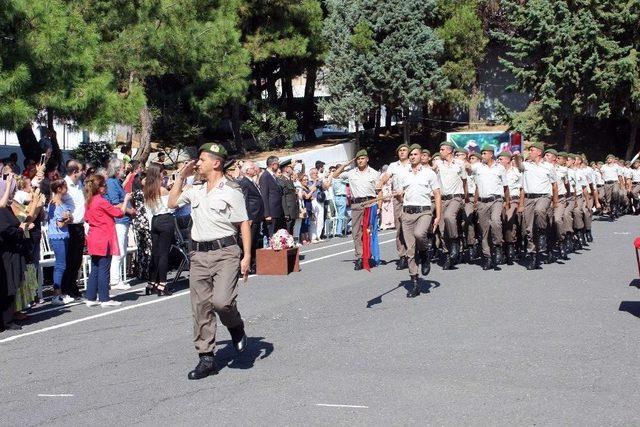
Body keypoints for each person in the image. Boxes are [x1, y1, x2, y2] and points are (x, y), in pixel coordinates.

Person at [168, 143, 251, 380]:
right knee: (200, 306)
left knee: (222, 302)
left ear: (216, 163)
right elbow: (172, 203)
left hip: (225, 251)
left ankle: (235, 327)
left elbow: (243, 223)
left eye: (201, 159)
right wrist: (180, 178)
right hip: (199, 254)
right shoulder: (195, 189)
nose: (197, 163)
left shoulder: (231, 190)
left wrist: (246, 256)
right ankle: (206, 358)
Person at [397, 144, 441, 297]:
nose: (412, 157)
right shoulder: (404, 174)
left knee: (419, 234)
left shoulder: (429, 173)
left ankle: (424, 253)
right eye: (411, 155)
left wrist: (438, 215)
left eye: (415, 154)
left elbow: (436, 194)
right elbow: (400, 195)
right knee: (409, 250)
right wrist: (398, 194)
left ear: (421, 155)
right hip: (407, 213)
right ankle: (415, 283)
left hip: (424, 212)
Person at [84, 174, 130, 308]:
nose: (106, 187)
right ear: (99, 188)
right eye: (104, 185)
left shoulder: (89, 201)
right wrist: (126, 200)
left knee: (95, 267)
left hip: (94, 237)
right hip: (104, 237)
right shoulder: (101, 201)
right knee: (104, 268)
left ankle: (91, 297)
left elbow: (86, 218)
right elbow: (119, 213)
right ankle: (104, 298)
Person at [332, 150, 381, 271]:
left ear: (367, 159)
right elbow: (335, 175)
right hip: (357, 204)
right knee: (356, 232)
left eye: (362, 158)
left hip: (370, 203)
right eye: (358, 159)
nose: (360, 161)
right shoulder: (351, 173)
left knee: (369, 231)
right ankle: (360, 257)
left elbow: (379, 191)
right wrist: (346, 164)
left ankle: (368, 256)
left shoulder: (374, 173)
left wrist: (379, 206)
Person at [514, 141, 558, 269]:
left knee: (539, 211)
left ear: (539, 152)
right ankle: (533, 256)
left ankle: (543, 233)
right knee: (529, 230)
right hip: (529, 198)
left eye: (532, 150)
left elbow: (554, 185)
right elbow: (518, 166)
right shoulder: (526, 165)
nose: (530, 152)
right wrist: (517, 156)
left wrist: (555, 202)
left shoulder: (548, 167)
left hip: (543, 197)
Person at [467, 145, 509, 270]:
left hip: (496, 200)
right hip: (481, 202)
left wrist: (507, 201)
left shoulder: (500, 168)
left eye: (485, 153)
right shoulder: (478, 167)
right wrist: (464, 163)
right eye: (482, 153)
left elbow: (505, 186)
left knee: (496, 221)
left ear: (491, 154)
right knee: (484, 230)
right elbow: (468, 168)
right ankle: (488, 257)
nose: (483, 156)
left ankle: (497, 246)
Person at [432, 141, 468, 269]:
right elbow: (431, 172)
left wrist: (465, 196)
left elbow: (464, 181)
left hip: (456, 197)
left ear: (449, 151)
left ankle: (455, 242)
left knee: (448, 217)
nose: (440, 151)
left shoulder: (459, 164)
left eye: (442, 149)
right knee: (442, 229)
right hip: (442, 199)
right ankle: (448, 255)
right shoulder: (438, 164)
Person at [143, 163, 176, 296]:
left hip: (155, 220)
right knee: (163, 254)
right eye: (162, 172)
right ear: (159, 173)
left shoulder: (148, 188)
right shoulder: (162, 190)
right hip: (165, 219)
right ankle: (163, 283)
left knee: (155, 252)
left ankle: (152, 282)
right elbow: (172, 206)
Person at [104, 158, 137, 290]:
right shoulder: (111, 183)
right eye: (123, 168)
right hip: (118, 221)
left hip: (124, 220)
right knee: (118, 251)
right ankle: (114, 280)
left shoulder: (117, 182)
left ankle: (117, 279)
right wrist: (129, 209)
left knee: (122, 251)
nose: (124, 170)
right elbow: (115, 203)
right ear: (117, 170)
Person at [47, 179, 75, 306]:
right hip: (57, 236)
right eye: (64, 186)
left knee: (62, 265)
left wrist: (68, 217)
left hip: (63, 235)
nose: (66, 188)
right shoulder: (54, 204)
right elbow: (60, 223)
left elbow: (70, 217)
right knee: (60, 265)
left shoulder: (61, 203)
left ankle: (61, 293)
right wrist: (67, 218)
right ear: (59, 189)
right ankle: (56, 295)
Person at [383, 144, 411, 269]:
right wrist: (380, 182)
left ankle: (415, 252)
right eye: (400, 150)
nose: (402, 152)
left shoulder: (413, 164)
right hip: (398, 200)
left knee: (412, 228)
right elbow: (386, 176)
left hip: (412, 199)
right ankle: (403, 256)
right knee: (399, 228)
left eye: (404, 150)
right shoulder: (393, 166)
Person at [60, 160, 85, 299]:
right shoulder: (64, 184)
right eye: (81, 170)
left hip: (79, 225)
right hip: (69, 226)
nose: (82, 173)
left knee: (77, 259)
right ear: (75, 172)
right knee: (69, 259)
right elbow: (58, 201)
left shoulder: (79, 184)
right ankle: (65, 288)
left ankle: (72, 287)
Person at [237, 161, 265, 274]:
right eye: (252, 168)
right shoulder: (244, 182)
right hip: (251, 217)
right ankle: (245, 265)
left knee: (254, 241)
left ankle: (252, 264)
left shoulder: (251, 181)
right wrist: (247, 217)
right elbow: (244, 200)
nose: (255, 169)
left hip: (257, 216)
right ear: (247, 170)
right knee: (249, 241)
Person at [499, 151, 523, 264]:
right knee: (499, 222)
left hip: (514, 199)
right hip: (500, 200)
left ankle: (510, 247)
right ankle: (502, 247)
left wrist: (521, 203)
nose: (499, 161)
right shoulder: (497, 171)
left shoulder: (517, 171)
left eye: (501, 159)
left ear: (508, 160)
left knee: (509, 220)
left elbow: (523, 187)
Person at [259, 156, 284, 237]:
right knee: (272, 234)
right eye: (277, 164)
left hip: (277, 211)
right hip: (271, 212)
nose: (278, 166)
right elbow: (264, 196)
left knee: (277, 235)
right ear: (273, 164)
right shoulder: (265, 176)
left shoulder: (273, 176)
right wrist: (267, 214)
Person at [277, 161, 299, 236]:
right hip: (288, 210)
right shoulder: (281, 180)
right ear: (286, 169)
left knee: (291, 229)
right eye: (291, 167)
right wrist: (286, 213)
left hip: (293, 209)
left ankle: (290, 243)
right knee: (287, 229)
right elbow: (283, 197)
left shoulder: (289, 180)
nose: (292, 169)